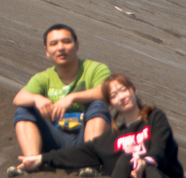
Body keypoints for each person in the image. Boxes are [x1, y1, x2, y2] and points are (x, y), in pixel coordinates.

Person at [16, 73, 186, 178]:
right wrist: (41, 158)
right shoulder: (112, 137)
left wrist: (146, 162)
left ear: (134, 91)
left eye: (124, 90)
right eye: (113, 96)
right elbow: (80, 152)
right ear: (111, 103)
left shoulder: (154, 117)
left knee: (147, 165)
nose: (121, 97)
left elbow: (159, 146)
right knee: (126, 158)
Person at [7, 23, 111, 169]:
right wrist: (37, 98)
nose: (60, 47)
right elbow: (18, 98)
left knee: (98, 105)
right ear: (47, 51)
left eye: (66, 42)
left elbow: (105, 92)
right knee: (24, 110)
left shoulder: (95, 69)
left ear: (77, 45)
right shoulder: (43, 77)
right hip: (55, 138)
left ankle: (90, 161)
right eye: (54, 44)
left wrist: (72, 98)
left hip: (84, 135)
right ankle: (32, 161)